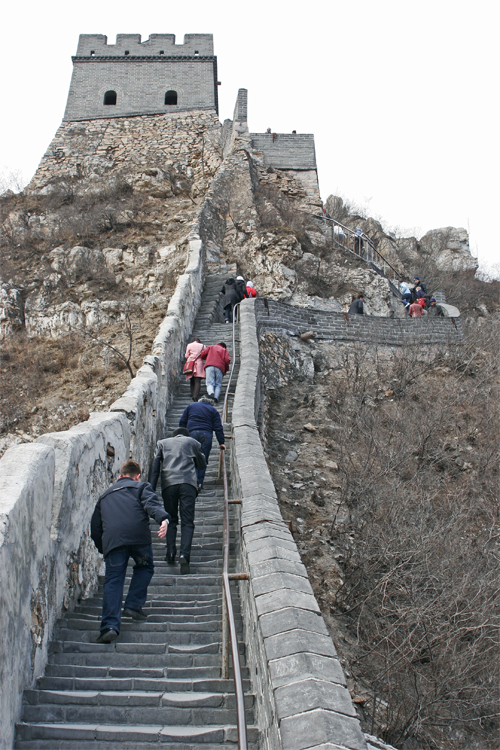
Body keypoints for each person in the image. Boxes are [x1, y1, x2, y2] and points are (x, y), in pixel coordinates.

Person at [90, 459, 170, 643]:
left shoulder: (105, 496)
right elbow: (151, 504)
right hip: (138, 538)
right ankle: (133, 604)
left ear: (119, 476)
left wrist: (104, 548)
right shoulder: (141, 487)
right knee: (145, 567)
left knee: (113, 581)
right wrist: (163, 520)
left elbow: (95, 527)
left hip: (113, 542)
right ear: (138, 476)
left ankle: (109, 626)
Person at [149, 427, 206, 574]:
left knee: (170, 519)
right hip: (188, 484)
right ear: (185, 435)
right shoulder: (192, 442)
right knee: (187, 521)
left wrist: (150, 489)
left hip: (168, 484)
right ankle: (184, 555)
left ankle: (170, 552)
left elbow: (155, 468)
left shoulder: (162, 443)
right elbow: (201, 465)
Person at [179, 396, 226, 488]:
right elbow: (218, 428)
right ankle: (199, 482)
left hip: (191, 433)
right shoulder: (213, 410)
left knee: (191, 457)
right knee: (202, 459)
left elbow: (182, 422)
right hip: (206, 435)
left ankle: (190, 481)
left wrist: (182, 436)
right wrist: (221, 442)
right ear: (211, 403)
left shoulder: (191, 406)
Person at [184, 337, 205, 402]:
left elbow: (186, 355)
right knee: (197, 380)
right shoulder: (202, 346)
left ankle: (192, 393)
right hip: (199, 363)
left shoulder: (189, 345)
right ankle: (195, 396)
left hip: (190, 363)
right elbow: (204, 354)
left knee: (191, 379)